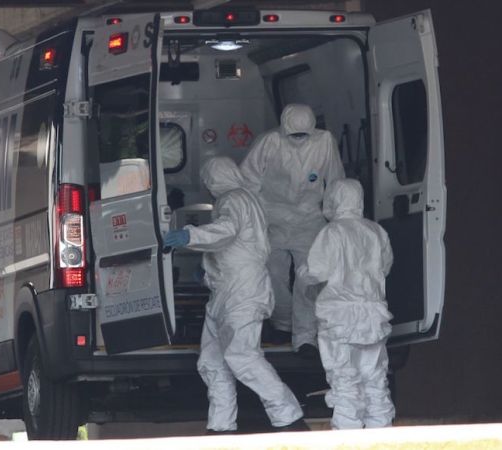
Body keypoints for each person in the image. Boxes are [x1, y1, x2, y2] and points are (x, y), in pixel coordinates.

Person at [163, 157, 306, 433]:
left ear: (214, 179)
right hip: (226, 293)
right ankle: (221, 426)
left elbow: (226, 232)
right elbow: (235, 248)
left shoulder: (234, 198)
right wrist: (208, 273)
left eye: (207, 181)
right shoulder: (240, 200)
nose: (207, 187)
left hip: (242, 292)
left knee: (243, 356)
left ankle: (289, 418)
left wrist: (190, 236)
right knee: (212, 362)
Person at [240, 103, 345, 354]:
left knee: (308, 278)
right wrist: (250, 218)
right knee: (273, 274)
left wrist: (337, 218)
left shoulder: (325, 142)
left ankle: (305, 336)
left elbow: (335, 180)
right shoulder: (269, 142)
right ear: (284, 128)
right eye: (294, 135)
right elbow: (248, 179)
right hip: (272, 219)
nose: (298, 139)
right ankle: (283, 323)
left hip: (309, 219)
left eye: (303, 135)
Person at [296, 179, 396, 430]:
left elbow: (316, 271)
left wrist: (301, 273)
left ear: (333, 199)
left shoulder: (332, 232)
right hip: (373, 314)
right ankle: (381, 435)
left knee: (344, 379)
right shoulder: (376, 231)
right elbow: (385, 267)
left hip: (339, 316)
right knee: (375, 379)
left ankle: (347, 436)